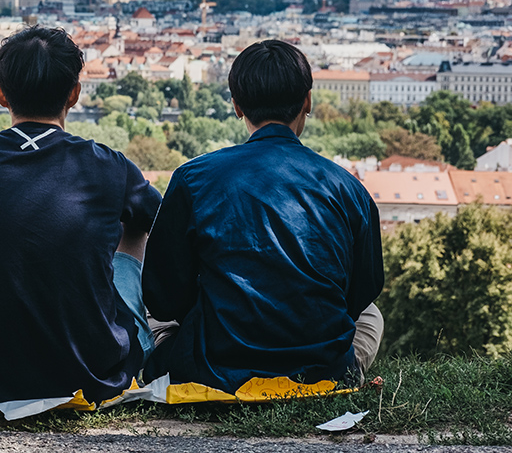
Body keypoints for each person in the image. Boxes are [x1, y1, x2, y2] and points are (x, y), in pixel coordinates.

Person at [0, 26, 162, 402]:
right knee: (135, 226)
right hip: (94, 375)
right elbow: (155, 217)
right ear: (74, 95)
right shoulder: (109, 166)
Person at [142, 39, 384, 392]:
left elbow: (162, 298)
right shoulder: (348, 188)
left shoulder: (193, 179)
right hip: (320, 369)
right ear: (308, 101)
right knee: (371, 314)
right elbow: (361, 292)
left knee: (154, 317)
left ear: (237, 106)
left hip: (212, 368)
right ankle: (347, 376)